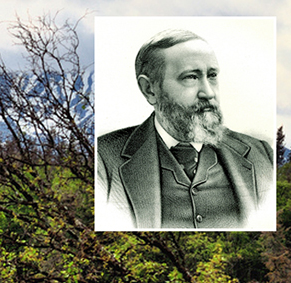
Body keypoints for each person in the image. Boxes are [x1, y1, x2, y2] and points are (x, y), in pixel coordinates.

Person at [96, 29, 273, 230]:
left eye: (212, 75)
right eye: (190, 77)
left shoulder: (262, 155)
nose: (208, 92)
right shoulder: (103, 160)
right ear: (149, 89)